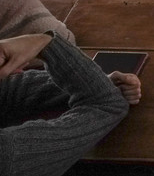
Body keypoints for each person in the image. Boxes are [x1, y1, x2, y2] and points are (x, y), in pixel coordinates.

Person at [0, 32, 141, 175]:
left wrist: (101, 81)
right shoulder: (7, 155)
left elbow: (15, 89)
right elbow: (108, 105)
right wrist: (45, 43)